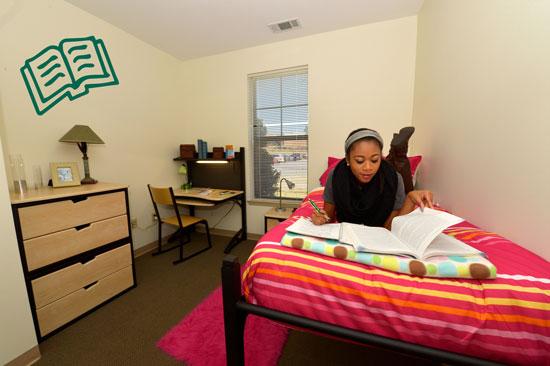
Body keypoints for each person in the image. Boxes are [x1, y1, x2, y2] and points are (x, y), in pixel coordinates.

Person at [311, 128, 434, 229]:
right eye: (359, 161)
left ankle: (397, 154)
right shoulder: (336, 176)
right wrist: (320, 218)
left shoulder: (394, 180)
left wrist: (410, 200)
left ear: (381, 157)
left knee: (399, 169)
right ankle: (397, 152)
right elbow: (329, 218)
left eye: (375, 160)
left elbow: (389, 228)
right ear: (348, 160)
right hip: (346, 233)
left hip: (378, 235)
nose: (368, 167)